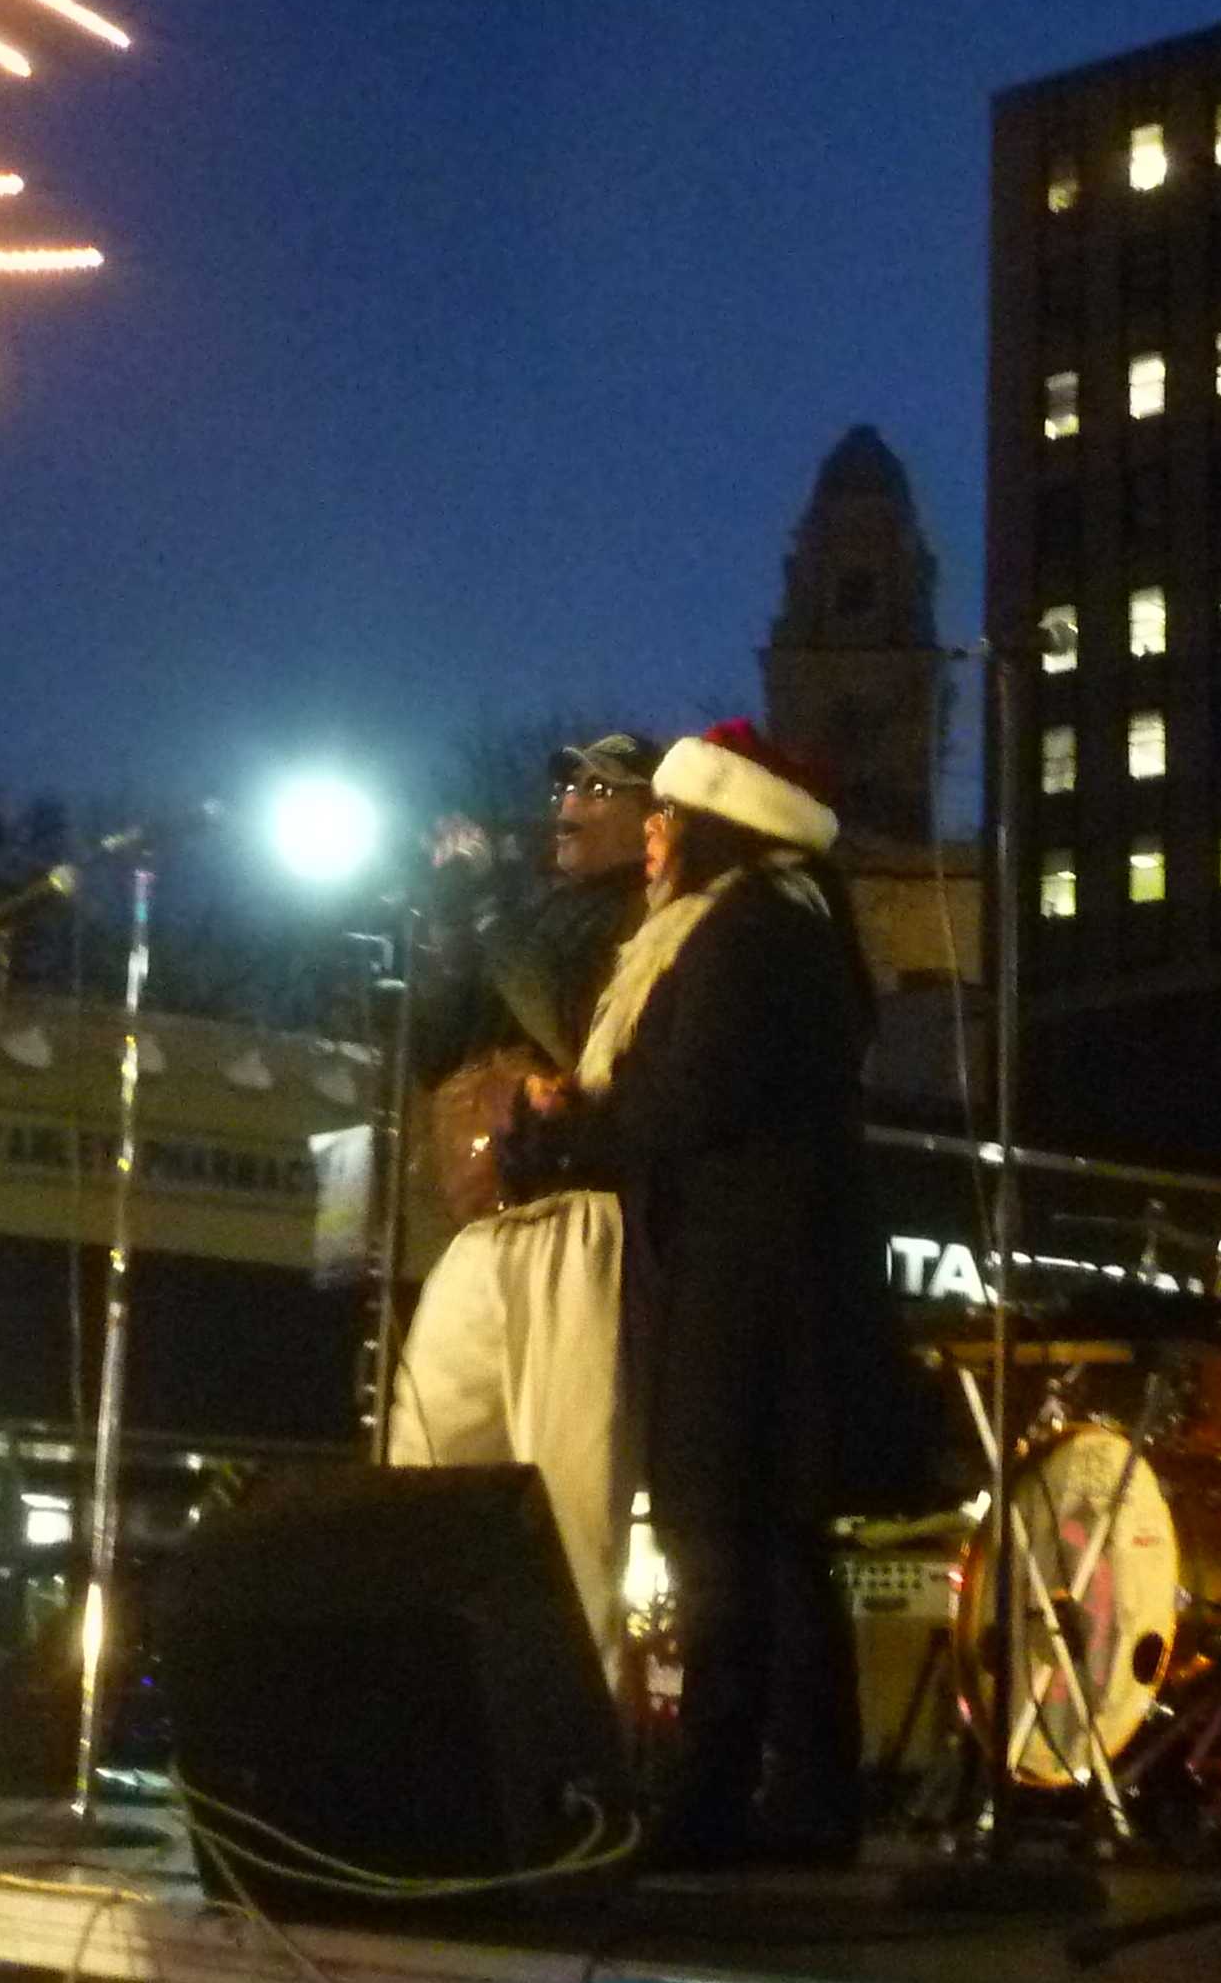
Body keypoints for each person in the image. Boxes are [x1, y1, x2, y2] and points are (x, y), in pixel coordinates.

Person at [504, 722, 918, 1868]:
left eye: (667, 817)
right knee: (767, 1535)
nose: (649, 838)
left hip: (750, 1278)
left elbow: (692, 1104)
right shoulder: (773, 924)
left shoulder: (749, 935)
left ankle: (724, 1789)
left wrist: (565, 1132)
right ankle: (794, 1792)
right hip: (760, 1268)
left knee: (725, 1529)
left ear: (717, 823)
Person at [385, 733, 658, 1656]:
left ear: (648, 817)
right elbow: (433, 1052)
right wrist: (447, 923)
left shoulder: (646, 917)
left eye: (597, 787)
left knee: (571, 1503)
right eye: (566, 784)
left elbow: (569, 1028)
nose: (568, 802)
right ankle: (443, 1716)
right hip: (489, 1219)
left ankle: (580, 1767)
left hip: (584, 1217)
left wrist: (492, 911)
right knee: (425, 1463)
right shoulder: (539, 912)